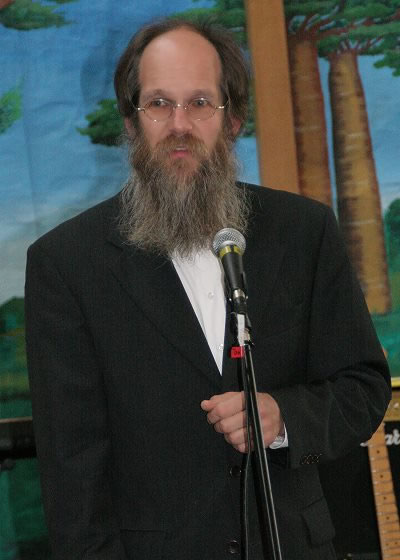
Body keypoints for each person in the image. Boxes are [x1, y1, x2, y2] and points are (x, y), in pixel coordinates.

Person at [25, 17, 391, 560]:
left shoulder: (303, 232)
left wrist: (283, 417)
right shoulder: (66, 263)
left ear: (233, 118)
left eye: (200, 102)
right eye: (158, 103)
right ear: (131, 121)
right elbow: (71, 469)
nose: (180, 124)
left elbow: (363, 387)